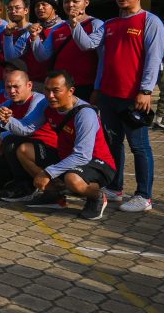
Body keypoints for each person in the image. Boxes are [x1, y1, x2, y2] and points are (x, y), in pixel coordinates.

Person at [70, 0, 164, 213]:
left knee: (139, 146)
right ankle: (115, 187)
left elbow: (153, 59)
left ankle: (144, 196)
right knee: (113, 144)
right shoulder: (110, 24)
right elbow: (88, 46)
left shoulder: (150, 21)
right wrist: (75, 24)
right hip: (108, 95)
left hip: (133, 97)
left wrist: (145, 90)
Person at [7, 70, 116, 220]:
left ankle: (96, 196)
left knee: (72, 179)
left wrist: (47, 173)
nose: (50, 96)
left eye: (56, 91)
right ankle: (53, 195)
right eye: (47, 90)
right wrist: (7, 120)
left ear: (70, 91)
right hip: (67, 156)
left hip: (96, 161)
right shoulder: (47, 104)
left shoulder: (84, 114)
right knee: (24, 150)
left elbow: (82, 155)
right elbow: (26, 127)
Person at [0, 64, 58, 199]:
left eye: (16, 87)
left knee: (11, 142)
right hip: (23, 148)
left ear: (29, 85)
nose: (12, 91)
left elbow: (26, 128)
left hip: (46, 149)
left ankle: (25, 186)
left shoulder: (39, 100)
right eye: (8, 87)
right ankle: (14, 180)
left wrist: (4, 132)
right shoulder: (8, 103)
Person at [34, 0, 102, 101]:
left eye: (75, 1)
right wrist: (34, 38)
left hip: (86, 86)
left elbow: (88, 47)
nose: (70, 5)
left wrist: (97, 88)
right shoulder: (58, 28)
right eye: (66, 1)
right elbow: (42, 56)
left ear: (86, 3)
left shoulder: (96, 24)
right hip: (60, 87)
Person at [11, 0, 64, 88]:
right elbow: (12, 56)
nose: (40, 8)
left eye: (44, 4)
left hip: (57, 83)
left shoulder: (65, 27)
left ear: (54, 8)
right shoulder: (31, 29)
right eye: (37, 5)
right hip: (31, 82)